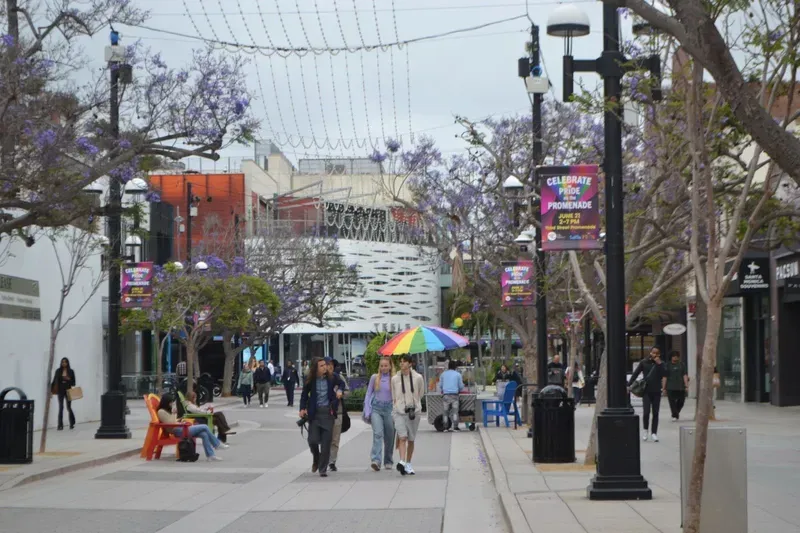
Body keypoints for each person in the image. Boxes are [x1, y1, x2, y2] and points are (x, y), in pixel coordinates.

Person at [299, 357, 341, 477]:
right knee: (312, 440)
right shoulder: (310, 380)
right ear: (315, 368)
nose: (325, 367)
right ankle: (316, 458)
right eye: (322, 366)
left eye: (325, 365)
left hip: (328, 413)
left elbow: (342, 384)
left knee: (326, 442)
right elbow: (304, 396)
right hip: (315, 414)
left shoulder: (332, 377)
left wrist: (340, 391)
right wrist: (302, 408)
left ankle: (322, 468)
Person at [157, 394, 228, 461]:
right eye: (170, 403)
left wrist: (179, 421)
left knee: (204, 434)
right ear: (166, 402)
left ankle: (210, 456)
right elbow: (170, 423)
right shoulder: (161, 411)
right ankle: (217, 444)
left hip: (180, 428)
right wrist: (173, 413)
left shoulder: (167, 410)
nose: (172, 404)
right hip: (177, 431)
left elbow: (173, 421)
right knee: (204, 426)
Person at [391, 354, 424, 476]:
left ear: (410, 363)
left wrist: (413, 404)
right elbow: (394, 395)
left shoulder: (418, 377)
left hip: (413, 412)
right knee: (402, 437)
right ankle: (402, 461)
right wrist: (398, 405)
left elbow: (420, 393)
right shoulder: (395, 379)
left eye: (404, 362)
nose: (402, 364)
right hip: (399, 411)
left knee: (411, 439)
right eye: (401, 362)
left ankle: (408, 462)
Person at [628, 347, 667, 442]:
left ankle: (654, 433)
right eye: (653, 352)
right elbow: (635, 373)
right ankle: (645, 430)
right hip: (646, 391)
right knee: (646, 412)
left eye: (657, 353)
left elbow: (665, 374)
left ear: (659, 354)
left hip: (657, 390)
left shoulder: (661, 364)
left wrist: (659, 364)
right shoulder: (644, 362)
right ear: (650, 353)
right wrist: (629, 385)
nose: (654, 354)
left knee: (656, 413)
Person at [363, 357, 395, 471]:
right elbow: (368, 394)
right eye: (381, 366)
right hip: (376, 408)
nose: (383, 368)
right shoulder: (374, 378)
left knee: (390, 436)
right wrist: (368, 411)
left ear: (390, 366)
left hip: (389, 409)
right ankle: (376, 460)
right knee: (378, 434)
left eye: (386, 365)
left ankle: (388, 460)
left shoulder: (394, 379)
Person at [326, 358, 349, 472]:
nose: (329, 367)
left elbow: (348, 392)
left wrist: (341, 393)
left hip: (337, 412)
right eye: (327, 364)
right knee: (325, 438)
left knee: (335, 439)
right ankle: (324, 459)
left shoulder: (339, 378)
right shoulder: (320, 378)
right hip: (324, 412)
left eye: (331, 365)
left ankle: (332, 462)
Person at [438, 360, 464, 432]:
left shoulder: (443, 374)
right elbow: (461, 386)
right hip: (455, 396)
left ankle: (445, 427)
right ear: (455, 367)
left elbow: (440, 385)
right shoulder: (458, 374)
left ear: (448, 366)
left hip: (445, 396)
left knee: (445, 412)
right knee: (455, 412)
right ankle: (455, 427)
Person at [51, 358, 76, 430]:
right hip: (60, 391)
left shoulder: (71, 371)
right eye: (62, 362)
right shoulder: (58, 371)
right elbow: (54, 381)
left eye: (65, 362)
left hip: (68, 390)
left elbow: (74, 383)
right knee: (61, 407)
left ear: (67, 363)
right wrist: (51, 391)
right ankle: (60, 425)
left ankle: (72, 423)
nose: (64, 363)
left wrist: (69, 379)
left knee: (69, 407)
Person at [665, 351, 689, 421]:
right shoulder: (667, 365)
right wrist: (663, 388)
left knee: (681, 401)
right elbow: (665, 377)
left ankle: (675, 413)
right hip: (670, 386)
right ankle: (675, 415)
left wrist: (686, 385)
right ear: (671, 357)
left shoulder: (682, 365)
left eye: (677, 356)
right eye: (674, 356)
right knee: (672, 402)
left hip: (680, 386)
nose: (675, 357)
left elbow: (685, 375)